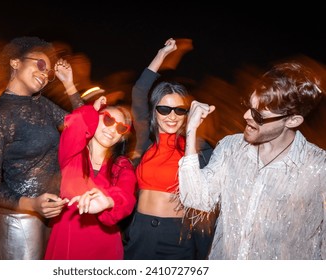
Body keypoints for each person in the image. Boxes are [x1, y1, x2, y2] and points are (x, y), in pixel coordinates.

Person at [178, 61, 326, 259]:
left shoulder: (318, 168)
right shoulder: (230, 148)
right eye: (248, 106)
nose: (246, 115)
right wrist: (191, 130)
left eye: (259, 115)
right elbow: (196, 198)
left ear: (292, 121)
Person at [0, 36, 83, 260]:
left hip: (52, 214)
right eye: (40, 65)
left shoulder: (41, 104)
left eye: (49, 72)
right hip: (19, 219)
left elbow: (82, 127)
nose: (45, 75)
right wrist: (31, 204)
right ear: (15, 63)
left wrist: (69, 84)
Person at [123, 38, 216, 260]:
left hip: (178, 236)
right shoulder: (147, 140)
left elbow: (206, 196)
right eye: (164, 109)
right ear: (155, 111)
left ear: (187, 113)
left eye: (179, 110)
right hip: (140, 231)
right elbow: (139, 91)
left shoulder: (198, 149)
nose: (171, 116)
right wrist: (162, 54)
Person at [44, 95, 137, 260]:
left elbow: (126, 196)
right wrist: (91, 111)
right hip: (66, 240)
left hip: (104, 247)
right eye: (108, 120)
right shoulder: (72, 153)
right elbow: (74, 126)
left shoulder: (122, 165)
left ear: (122, 136)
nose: (112, 129)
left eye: (121, 128)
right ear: (95, 119)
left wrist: (109, 202)